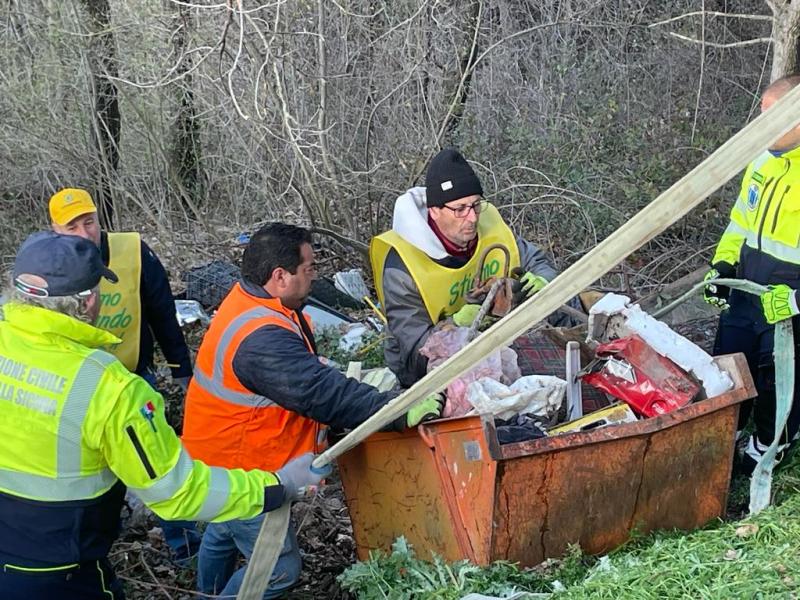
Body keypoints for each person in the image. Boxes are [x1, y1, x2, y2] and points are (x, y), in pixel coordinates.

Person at [0, 232, 327, 600]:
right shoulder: (110, 389)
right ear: (88, 300)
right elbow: (176, 492)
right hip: (61, 572)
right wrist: (276, 485)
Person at [181, 222, 442, 599]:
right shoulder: (260, 336)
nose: (315, 275)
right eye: (310, 268)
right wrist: (397, 410)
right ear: (280, 276)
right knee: (278, 572)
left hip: (217, 458)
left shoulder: (256, 304)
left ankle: (206, 591)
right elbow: (322, 394)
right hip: (243, 468)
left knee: (222, 530)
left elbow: (300, 378)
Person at [49, 187, 200, 561]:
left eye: (90, 222)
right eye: (72, 227)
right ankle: (96, 549)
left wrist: (182, 369)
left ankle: (186, 549)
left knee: (159, 467)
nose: (85, 234)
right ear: (54, 230)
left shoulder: (133, 251)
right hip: (75, 391)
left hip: (133, 379)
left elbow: (163, 310)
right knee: (89, 477)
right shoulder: (45, 266)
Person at [370, 147, 559, 387]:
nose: (472, 218)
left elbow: (538, 262)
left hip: (496, 344)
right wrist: (456, 325)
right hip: (426, 376)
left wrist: (543, 279)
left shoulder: (490, 225)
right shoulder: (403, 266)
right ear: (434, 210)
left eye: (476, 205)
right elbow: (414, 353)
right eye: (459, 209)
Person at [705, 74, 800, 474]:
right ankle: (725, 432)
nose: (758, 127)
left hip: (788, 299)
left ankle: (770, 443)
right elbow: (739, 223)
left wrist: (797, 299)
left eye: (770, 116)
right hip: (746, 290)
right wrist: (722, 266)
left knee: (780, 379)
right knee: (726, 364)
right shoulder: (762, 161)